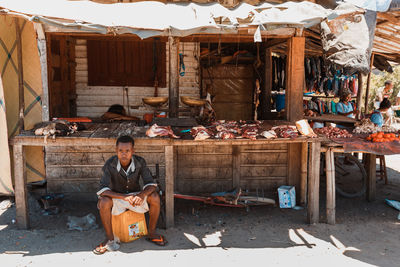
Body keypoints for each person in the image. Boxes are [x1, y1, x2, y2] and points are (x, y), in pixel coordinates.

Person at [94, 135, 167, 254]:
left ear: (133, 151)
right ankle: (109, 239)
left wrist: (142, 195)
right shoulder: (110, 164)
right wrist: (123, 197)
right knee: (104, 201)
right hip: (118, 197)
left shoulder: (140, 161)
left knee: (154, 197)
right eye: (120, 151)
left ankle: (152, 233)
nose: (124, 154)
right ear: (116, 151)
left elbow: (151, 184)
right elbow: (102, 189)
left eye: (127, 151)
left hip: (135, 197)